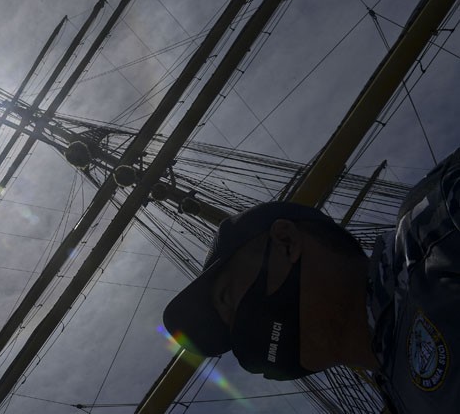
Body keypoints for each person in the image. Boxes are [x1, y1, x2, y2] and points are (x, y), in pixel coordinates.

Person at [163, 148, 460, 413]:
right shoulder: (398, 395)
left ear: (286, 241)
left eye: (226, 299)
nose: (242, 344)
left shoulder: (438, 227)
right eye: (231, 340)